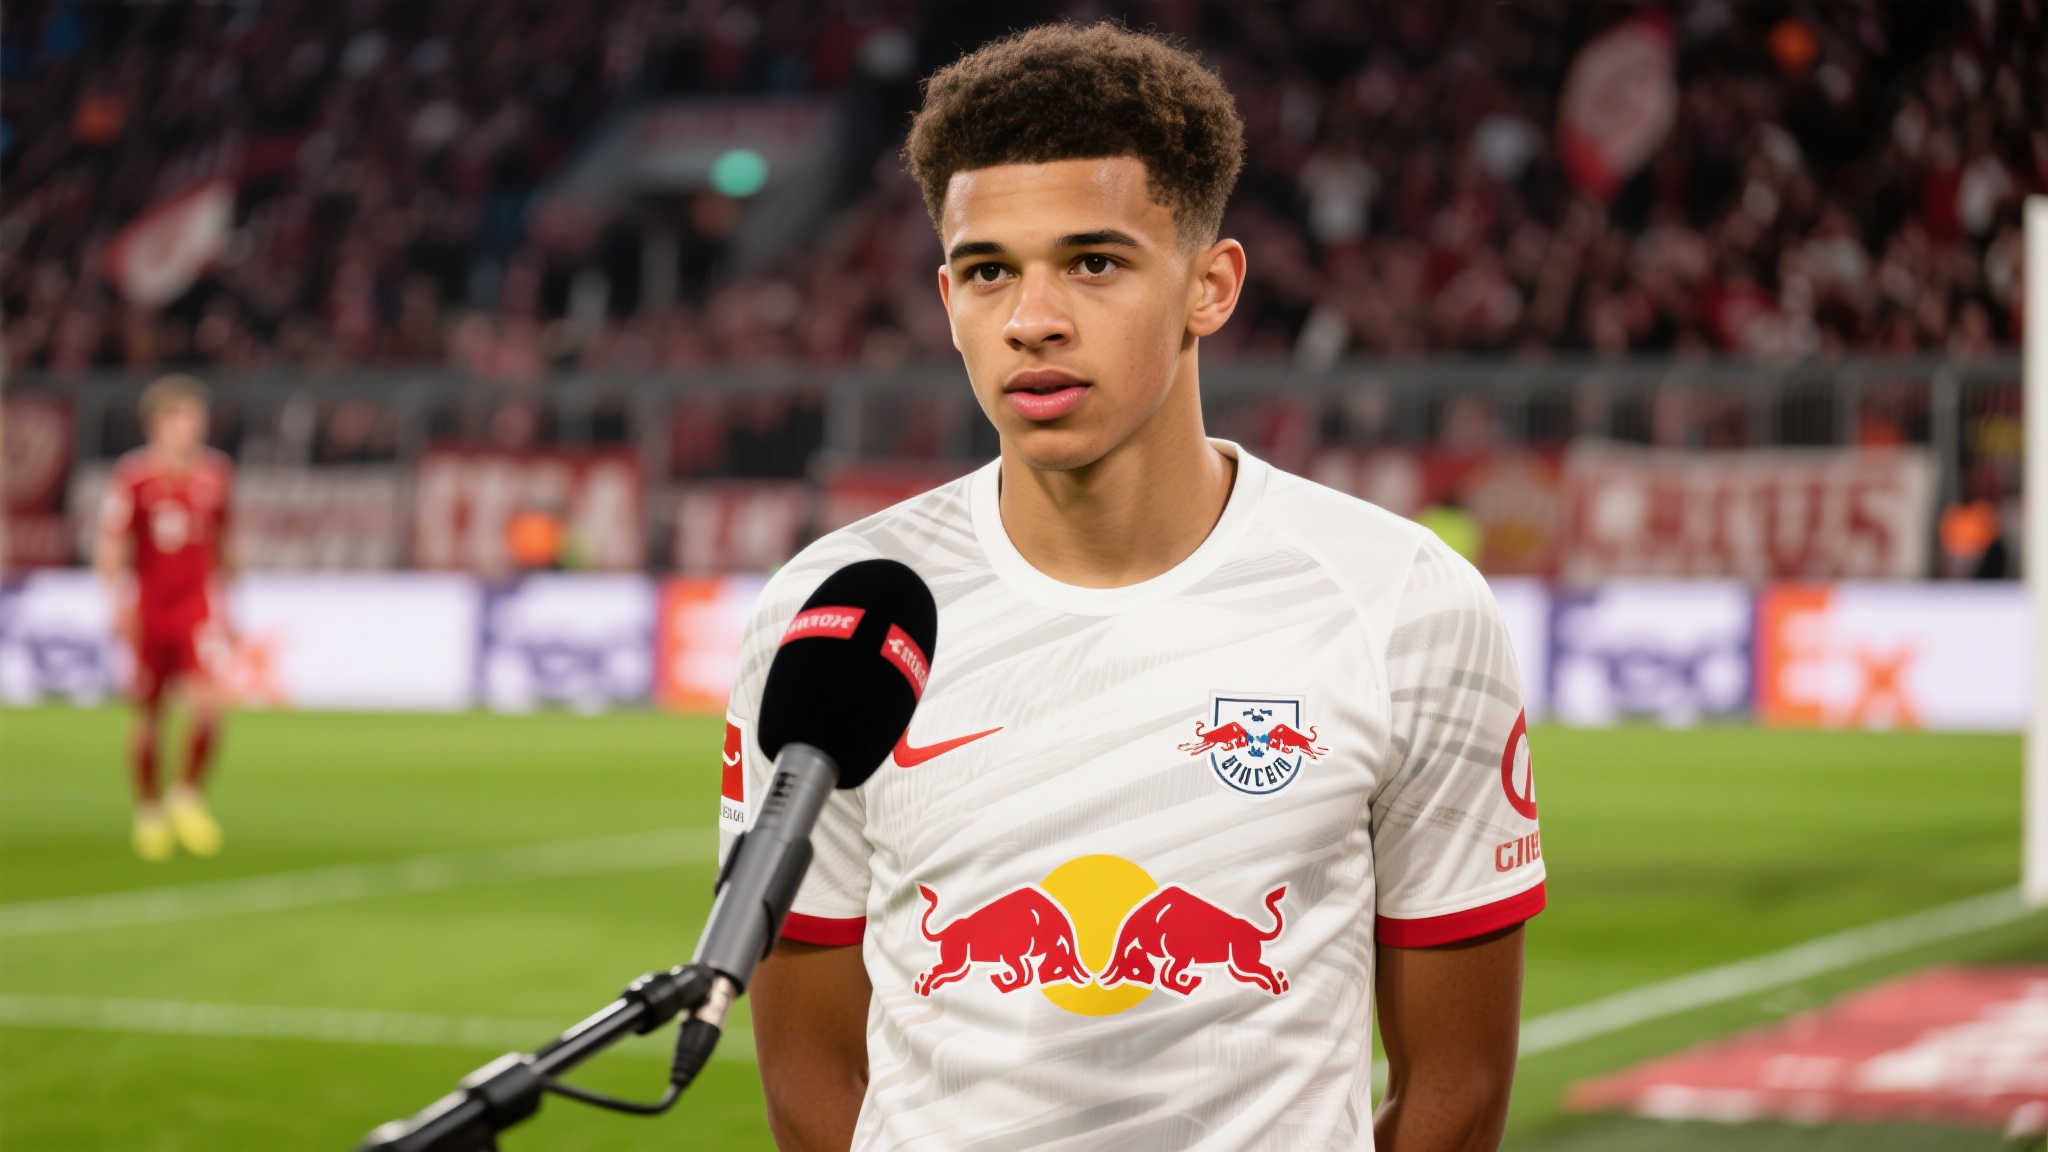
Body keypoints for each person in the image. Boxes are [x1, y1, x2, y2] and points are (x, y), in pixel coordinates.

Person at [719, 23, 1543, 1151]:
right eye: (988, 271)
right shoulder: (835, 618)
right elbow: (807, 1072)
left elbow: (1457, 1084)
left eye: (1093, 263)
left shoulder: (1405, 604)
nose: (1032, 321)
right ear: (947, 297)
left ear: (1211, 286)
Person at [95, 375, 234, 861]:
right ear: (157, 423)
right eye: (180, 418)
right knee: (149, 714)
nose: (190, 428)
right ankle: (149, 810)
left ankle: (186, 795)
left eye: (195, 418)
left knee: (210, 704)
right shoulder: (133, 478)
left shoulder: (216, 475)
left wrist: (229, 603)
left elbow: (224, 543)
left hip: (196, 609)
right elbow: (113, 543)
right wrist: (115, 600)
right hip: (151, 610)